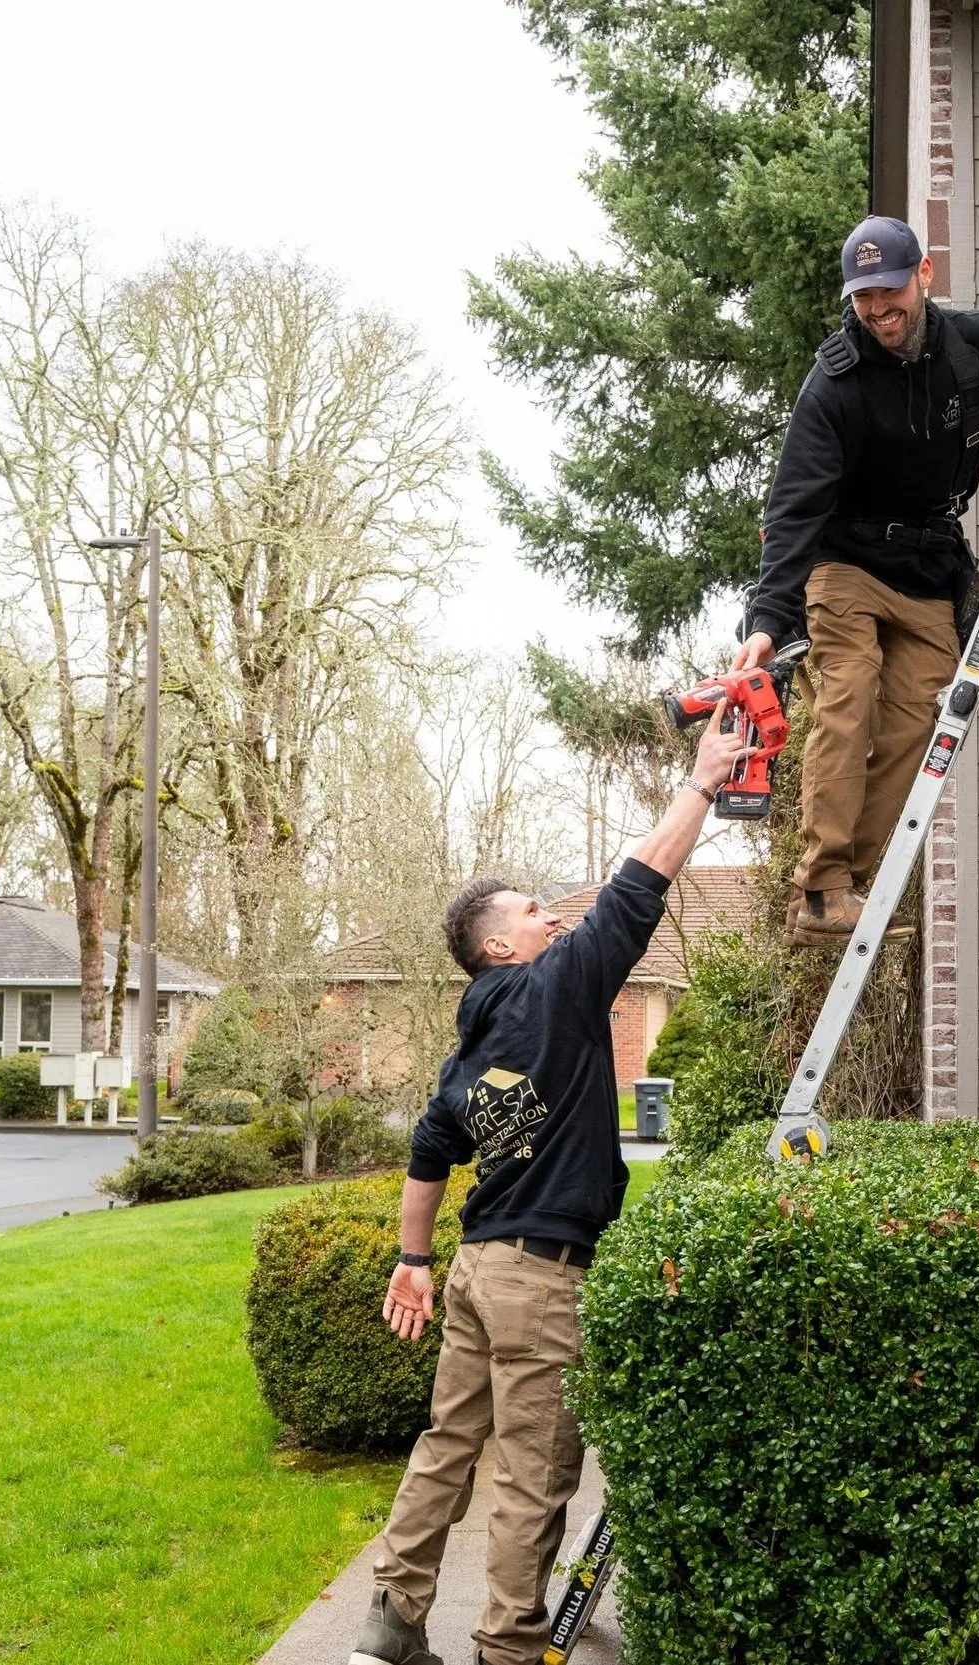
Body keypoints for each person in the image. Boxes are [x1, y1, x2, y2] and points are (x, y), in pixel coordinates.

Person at [346, 705, 753, 1665]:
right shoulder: (557, 986)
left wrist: (413, 1258)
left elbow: (425, 1155)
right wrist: (701, 780)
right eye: (534, 912)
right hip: (539, 1279)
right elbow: (638, 884)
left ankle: (390, 1623)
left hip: (478, 1272)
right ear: (499, 945)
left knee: (449, 1443)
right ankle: (508, 1646)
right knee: (534, 1473)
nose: (554, 918)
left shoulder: (467, 1049)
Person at [734, 213, 979, 948]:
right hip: (843, 562)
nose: (877, 312)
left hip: (927, 568)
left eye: (888, 292)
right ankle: (820, 888)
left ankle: (846, 881)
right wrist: (765, 622)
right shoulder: (834, 384)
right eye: (862, 298)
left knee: (921, 722)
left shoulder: (975, 342)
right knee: (848, 694)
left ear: (923, 277)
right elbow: (791, 512)